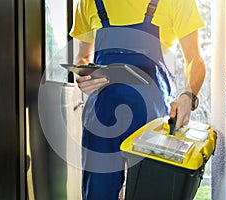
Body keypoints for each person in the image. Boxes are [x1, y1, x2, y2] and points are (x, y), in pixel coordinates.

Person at [69, 0, 206, 199]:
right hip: (101, 117)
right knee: (98, 194)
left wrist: (188, 94)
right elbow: (81, 58)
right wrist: (82, 76)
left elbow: (195, 59)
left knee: (150, 192)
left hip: (152, 117)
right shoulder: (89, 2)